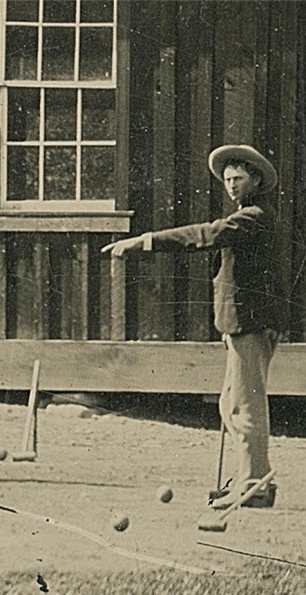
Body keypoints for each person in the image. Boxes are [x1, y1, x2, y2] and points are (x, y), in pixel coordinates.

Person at [102, 144, 282, 509]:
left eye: (239, 179)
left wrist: (145, 242)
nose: (231, 185)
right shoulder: (248, 214)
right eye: (228, 180)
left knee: (245, 407)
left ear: (256, 180)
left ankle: (255, 486)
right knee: (231, 404)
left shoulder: (255, 216)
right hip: (239, 321)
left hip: (250, 322)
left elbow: (207, 234)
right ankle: (249, 480)